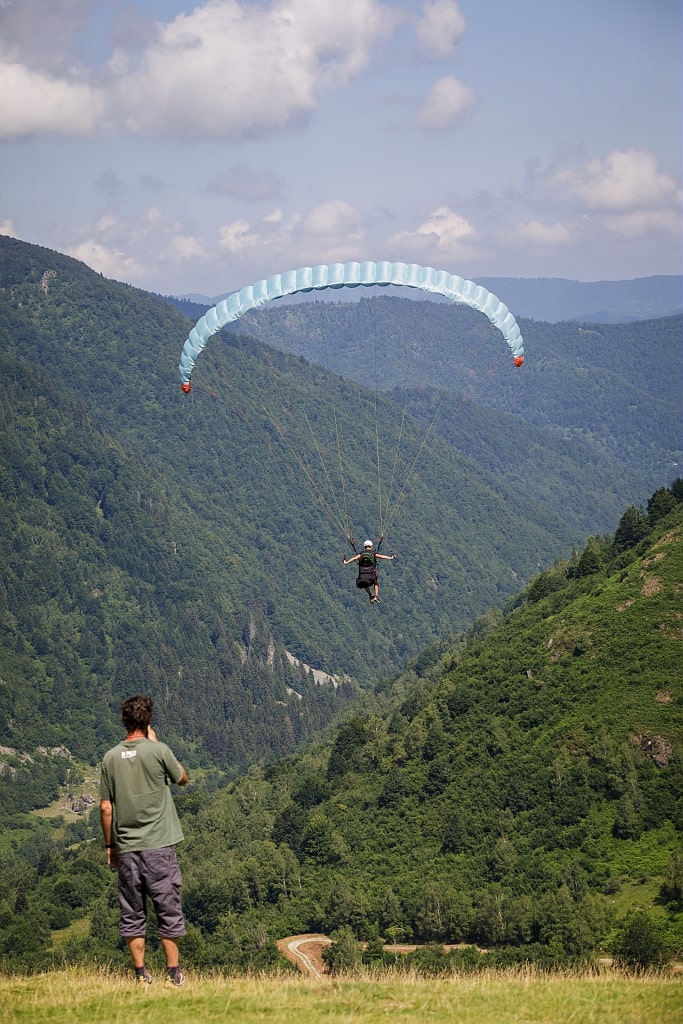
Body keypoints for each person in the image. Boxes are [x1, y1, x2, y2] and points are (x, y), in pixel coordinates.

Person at [99, 695, 188, 989]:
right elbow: (182, 778)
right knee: (167, 907)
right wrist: (156, 743)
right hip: (160, 845)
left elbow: (106, 807)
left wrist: (110, 846)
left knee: (132, 911)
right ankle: (173, 973)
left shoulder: (110, 758)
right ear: (148, 720)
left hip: (127, 849)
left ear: (124, 721)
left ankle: (141, 975)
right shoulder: (159, 750)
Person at [343, 539, 396, 603]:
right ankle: (376, 596)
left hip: (362, 575)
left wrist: (346, 562)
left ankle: (370, 595)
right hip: (371, 574)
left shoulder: (361, 554)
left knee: (365, 582)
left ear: (364, 546)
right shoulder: (373, 553)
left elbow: (354, 558)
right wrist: (391, 557)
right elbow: (381, 556)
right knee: (375, 582)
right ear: (371, 546)